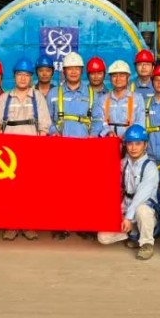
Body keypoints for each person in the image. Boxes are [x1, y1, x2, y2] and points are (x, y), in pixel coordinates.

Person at [0, 57, 53, 241]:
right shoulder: (4, 98)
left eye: (26, 75)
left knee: (30, 190)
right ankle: (11, 225)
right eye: (19, 75)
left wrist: (39, 147)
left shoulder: (38, 98)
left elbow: (44, 125)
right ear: (14, 77)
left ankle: (28, 225)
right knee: (9, 190)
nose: (22, 78)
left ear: (31, 78)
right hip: (9, 150)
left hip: (31, 148)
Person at [48, 51, 103, 239]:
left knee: (83, 188)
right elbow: (47, 119)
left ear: (81, 71)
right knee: (60, 188)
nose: (73, 72)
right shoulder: (54, 93)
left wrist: (93, 136)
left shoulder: (91, 94)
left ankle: (82, 224)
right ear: (63, 71)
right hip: (60, 147)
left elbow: (98, 120)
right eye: (69, 68)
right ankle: (60, 225)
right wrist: (53, 132)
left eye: (77, 69)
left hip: (83, 148)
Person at [97, 125, 160, 261]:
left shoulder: (150, 168)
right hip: (126, 209)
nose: (133, 148)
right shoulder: (124, 163)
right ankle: (134, 234)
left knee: (142, 210)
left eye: (138, 143)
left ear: (145, 145)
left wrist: (128, 218)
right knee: (103, 237)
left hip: (144, 211)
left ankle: (147, 243)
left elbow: (140, 197)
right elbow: (106, 167)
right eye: (130, 143)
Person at [97, 60, 146, 139]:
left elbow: (140, 123)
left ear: (128, 77)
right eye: (114, 76)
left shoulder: (138, 99)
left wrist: (128, 135)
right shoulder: (102, 100)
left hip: (131, 142)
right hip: (109, 142)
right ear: (110, 79)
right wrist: (107, 132)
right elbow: (99, 122)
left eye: (122, 75)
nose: (118, 79)